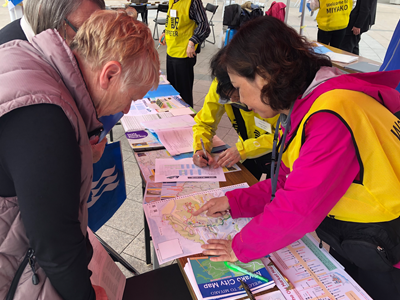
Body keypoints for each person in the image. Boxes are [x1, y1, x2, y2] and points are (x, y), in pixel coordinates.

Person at [193, 16, 400, 300]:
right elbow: (290, 181)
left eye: (240, 87)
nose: (242, 101)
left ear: (264, 74)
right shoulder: (310, 104)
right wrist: (235, 201)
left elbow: (297, 208)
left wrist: (240, 246)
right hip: (366, 242)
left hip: (389, 251)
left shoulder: (331, 115)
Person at [0, 10, 159, 300]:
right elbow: (55, 244)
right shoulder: (47, 119)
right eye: (131, 98)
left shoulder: (32, 60)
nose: (125, 111)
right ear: (109, 74)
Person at [0, 0, 107, 163]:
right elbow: (36, 159)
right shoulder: (12, 59)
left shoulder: (42, 39)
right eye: (82, 34)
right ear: (46, 13)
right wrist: (80, 156)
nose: (90, 48)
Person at [192, 76, 279, 180]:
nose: (233, 100)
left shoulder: (272, 92)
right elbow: (204, 123)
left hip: (278, 153)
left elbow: (286, 135)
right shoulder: (221, 83)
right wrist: (200, 149)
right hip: (247, 148)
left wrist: (245, 149)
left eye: (237, 97)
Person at [158, 0, 210, 108]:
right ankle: (176, 117)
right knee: (173, 90)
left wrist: (193, 42)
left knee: (183, 93)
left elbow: (204, 26)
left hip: (184, 54)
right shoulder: (173, 1)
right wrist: (165, 31)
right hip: (171, 51)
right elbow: (173, 20)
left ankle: (188, 120)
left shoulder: (192, 2)